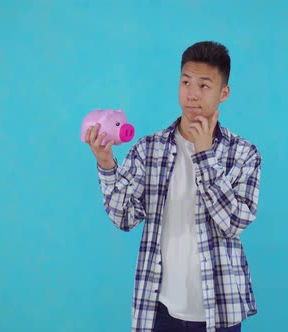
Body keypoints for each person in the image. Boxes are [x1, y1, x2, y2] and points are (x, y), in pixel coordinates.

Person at [85, 41, 262, 332]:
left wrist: (204, 155)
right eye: (186, 82)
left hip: (219, 308)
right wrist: (106, 164)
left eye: (204, 85)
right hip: (159, 309)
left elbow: (233, 223)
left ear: (224, 93)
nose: (192, 94)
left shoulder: (244, 154)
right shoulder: (148, 149)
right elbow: (124, 218)